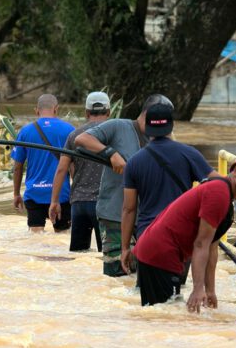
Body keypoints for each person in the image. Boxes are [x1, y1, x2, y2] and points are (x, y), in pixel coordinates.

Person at [119, 104, 236, 274]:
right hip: (180, 234)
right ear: (171, 126)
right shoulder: (188, 154)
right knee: (176, 293)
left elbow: (129, 209)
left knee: (149, 296)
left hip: (148, 236)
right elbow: (224, 184)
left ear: (146, 128)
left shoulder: (134, 162)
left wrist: (124, 248)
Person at [132, 149, 236, 309]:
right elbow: (201, 244)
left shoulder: (224, 192)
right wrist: (198, 289)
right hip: (160, 254)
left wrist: (210, 290)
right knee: (164, 319)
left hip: (159, 252)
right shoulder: (218, 193)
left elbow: (212, 247)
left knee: (164, 315)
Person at [74, 94, 167, 277]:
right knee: (117, 276)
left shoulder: (161, 139)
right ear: (147, 114)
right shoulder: (118, 126)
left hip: (146, 220)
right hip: (114, 215)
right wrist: (111, 153)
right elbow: (82, 139)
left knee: (142, 278)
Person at [48, 91, 110, 251]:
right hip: (105, 204)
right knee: (106, 255)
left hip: (79, 204)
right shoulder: (115, 134)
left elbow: (61, 169)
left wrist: (54, 202)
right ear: (109, 112)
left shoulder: (74, 135)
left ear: (87, 112)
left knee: (78, 254)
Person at [11, 94, 74, 233]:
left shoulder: (25, 131)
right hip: (61, 195)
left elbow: (17, 167)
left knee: (36, 238)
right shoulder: (69, 130)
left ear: (36, 110)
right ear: (56, 109)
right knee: (63, 237)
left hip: (34, 193)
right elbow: (75, 165)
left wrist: (16, 194)